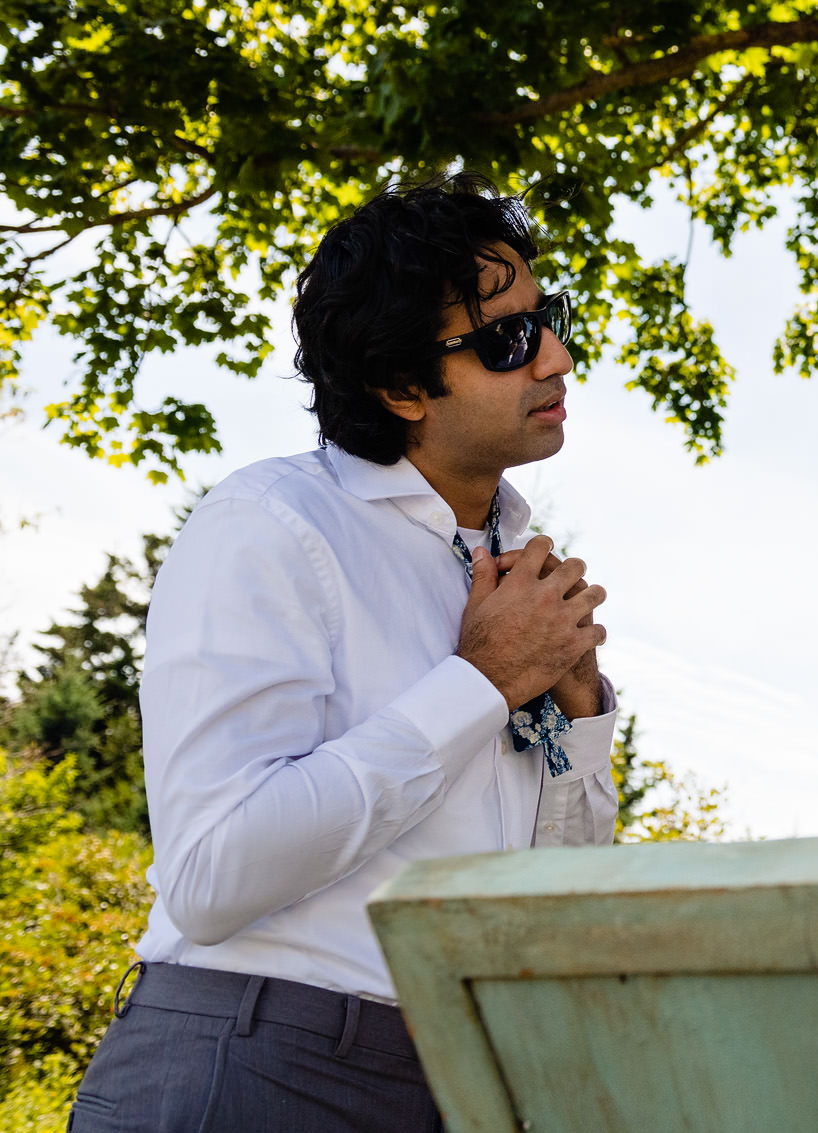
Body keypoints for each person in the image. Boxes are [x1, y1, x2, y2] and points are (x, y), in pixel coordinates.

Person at [71, 175, 619, 1131]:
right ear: (400, 385)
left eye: (551, 318)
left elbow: (543, 907)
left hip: (461, 1080)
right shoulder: (272, 522)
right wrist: (479, 685)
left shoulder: (510, 574)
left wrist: (581, 719)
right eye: (507, 339)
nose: (558, 357)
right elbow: (208, 876)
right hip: (253, 1067)